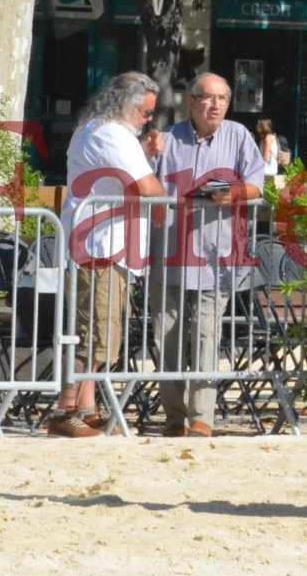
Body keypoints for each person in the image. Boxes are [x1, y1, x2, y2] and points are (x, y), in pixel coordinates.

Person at [149, 73, 264, 437]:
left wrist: (234, 192)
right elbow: (143, 181)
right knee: (164, 336)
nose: (215, 105)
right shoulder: (167, 140)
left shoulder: (239, 136)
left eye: (223, 99)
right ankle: (173, 417)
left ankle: (202, 418)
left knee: (205, 335)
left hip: (216, 256)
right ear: (191, 101)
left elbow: (257, 183)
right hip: (168, 251)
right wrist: (147, 153)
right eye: (208, 98)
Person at [56, 71, 166, 437]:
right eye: (145, 111)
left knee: (99, 333)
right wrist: (158, 179)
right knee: (97, 333)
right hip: (101, 244)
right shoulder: (110, 133)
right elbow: (148, 188)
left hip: (105, 243)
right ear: (125, 105)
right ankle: (64, 409)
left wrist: (145, 155)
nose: (148, 119)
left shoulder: (97, 130)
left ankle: (85, 406)